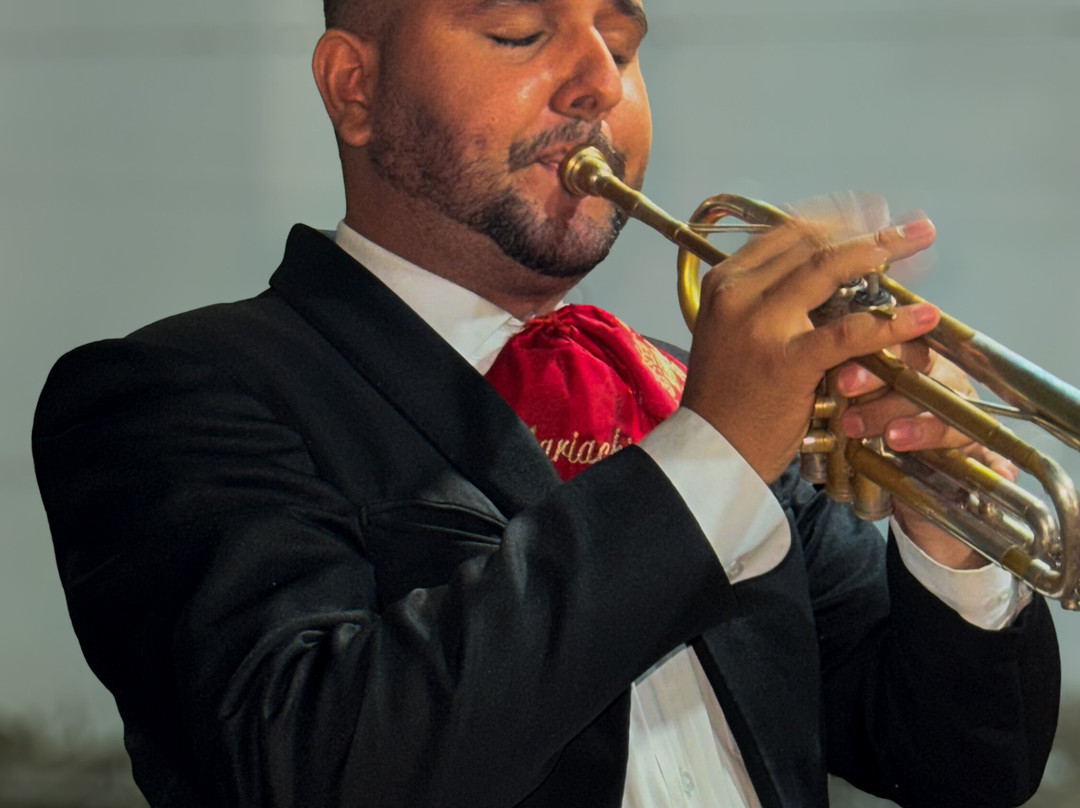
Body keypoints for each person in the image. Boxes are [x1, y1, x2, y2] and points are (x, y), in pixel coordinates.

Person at [32, 1, 1059, 806]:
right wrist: (709, 458)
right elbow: (317, 765)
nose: (596, 81)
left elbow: (966, 768)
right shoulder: (174, 394)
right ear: (355, 86)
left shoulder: (684, 390)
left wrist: (948, 535)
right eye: (519, 31)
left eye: (622, 39)